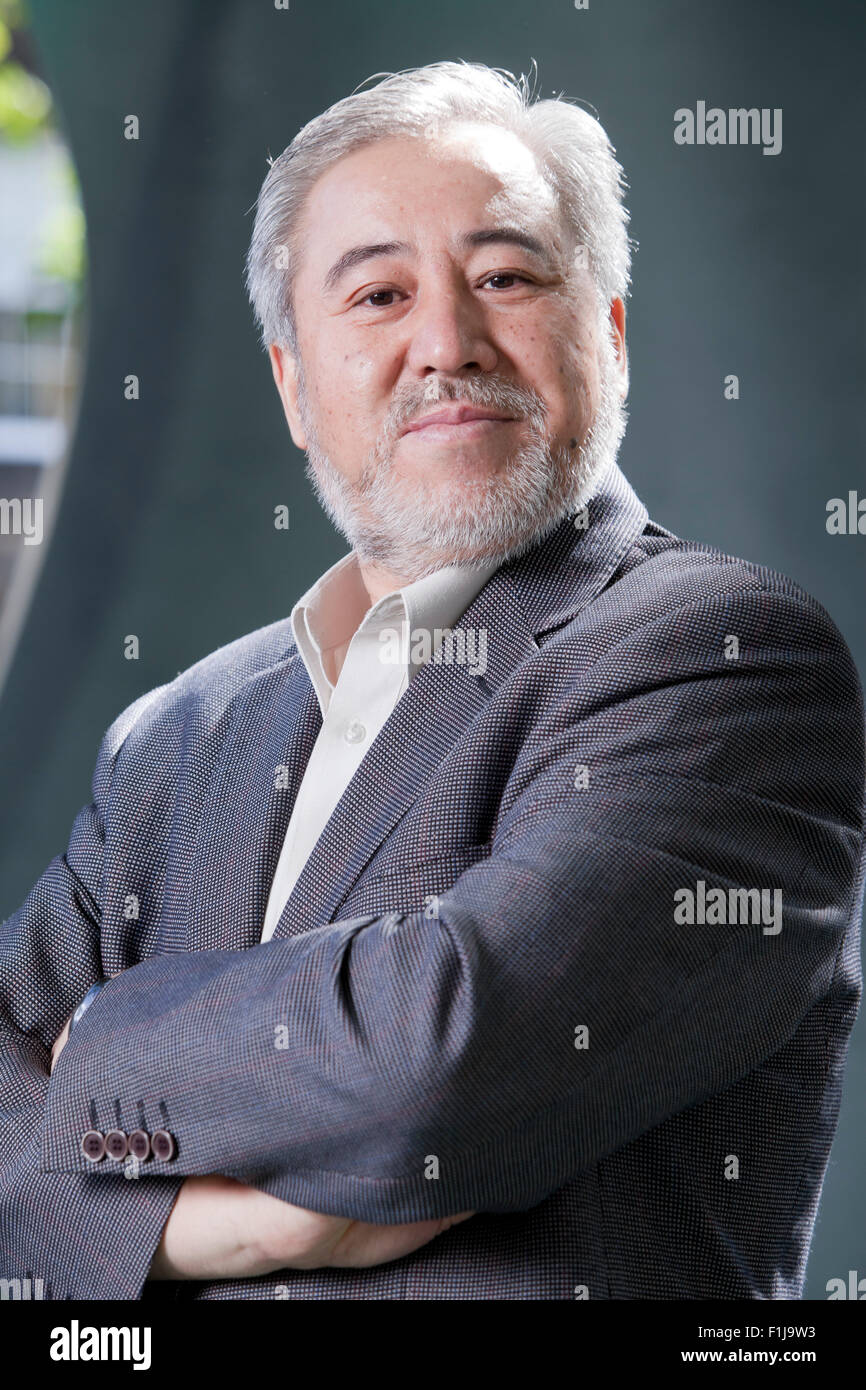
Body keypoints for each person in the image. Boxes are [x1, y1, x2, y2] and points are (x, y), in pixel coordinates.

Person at [1, 61, 862, 1301]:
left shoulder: (727, 660)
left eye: (504, 278)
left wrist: (102, 1046)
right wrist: (206, 1235)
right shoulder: (176, 734)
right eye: (378, 294)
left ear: (606, 335)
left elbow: (446, 1054)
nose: (444, 343)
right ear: (296, 389)